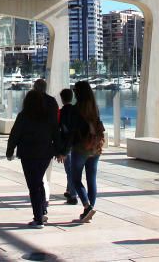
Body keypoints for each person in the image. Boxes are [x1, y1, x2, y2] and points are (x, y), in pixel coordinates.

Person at [6, 89, 60, 229]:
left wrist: (10, 151)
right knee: (39, 181)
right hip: (45, 154)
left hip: (28, 154)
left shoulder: (23, 116)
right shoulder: (48, 116)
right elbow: (56, 134)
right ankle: (42, 211)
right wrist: (60, 151)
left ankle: (38, 219)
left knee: (34, 186)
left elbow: (15, 134)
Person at [69, 81, 105, 223]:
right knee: (92, 179)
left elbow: (72, 131)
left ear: (78, 92)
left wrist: (64, 148)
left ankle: (87, 206)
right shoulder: (94, 108)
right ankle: (89, 209)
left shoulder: (76, 109)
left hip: (80, 147)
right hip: (95, 147)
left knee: (76, 179)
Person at [32, 78, 59, 214]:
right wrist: (59, 147)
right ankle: (44, 205)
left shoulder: (30, 102)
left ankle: (41, 209)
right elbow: (55, 126)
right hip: (47, 145)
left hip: (32, 146)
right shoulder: (52, 102)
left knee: (37, 180)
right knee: (42, 176)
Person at [57, 88, 78, 205]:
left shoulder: (62, 112)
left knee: (69, 170)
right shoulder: (76, 110)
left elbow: (61, 131)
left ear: (62, 99)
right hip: (77, 144)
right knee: (72, 169)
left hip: (67, 145)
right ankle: (69, 189)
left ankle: (73, 194)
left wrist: (61, 150)